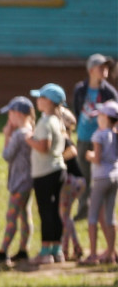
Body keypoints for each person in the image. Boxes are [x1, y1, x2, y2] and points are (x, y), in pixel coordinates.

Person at [0, 97, 35, 266]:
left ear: (18, 114)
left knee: (12, 216)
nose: (9, 117)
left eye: (10, 113)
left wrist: (7, 135)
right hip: (27, 182)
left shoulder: (19, 134)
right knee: (25, 215)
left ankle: (3, 252)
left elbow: (7, 155)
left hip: (18, 182)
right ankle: (23, 250)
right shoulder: (30, 131)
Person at [71, 55, 118, 220]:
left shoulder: (110, 92)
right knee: (83, 176)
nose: (105, 71)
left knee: (101, 176)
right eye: (101, 67)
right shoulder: (80, 89)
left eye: (107, 68)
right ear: (91, 70)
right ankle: (84, 210)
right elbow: (77, 110)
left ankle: (102, 213)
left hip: (104, 141)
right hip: (84, 138)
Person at [27, 84, 69, 265]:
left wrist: (29, 139)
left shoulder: (45, 122)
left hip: (45, 172)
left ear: (49, 101)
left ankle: (45, 252)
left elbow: (43, 147)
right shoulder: (57, 121)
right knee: (54, 211)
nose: (37, 100)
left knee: (46, 211)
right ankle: (56, 249)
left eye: (40, 97)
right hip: (58, 170)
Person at [84, 100, 118, 264]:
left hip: (100, 178)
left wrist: (89, 155)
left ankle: (92, 255)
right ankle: (111, 253)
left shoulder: (99, 135)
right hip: (114, 176)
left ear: (105, 117)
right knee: (110, 216)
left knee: (93, 215)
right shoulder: (115, 133)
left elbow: (97, 158)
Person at [58, 111, 86, 261]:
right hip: (79, 181)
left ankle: (68, 248)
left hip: (72, 181)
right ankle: (72, 247)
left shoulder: (63, 138)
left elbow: (73, 151)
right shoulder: (67, 137)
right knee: (66, 216)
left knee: (64, 216)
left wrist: (58, 160)